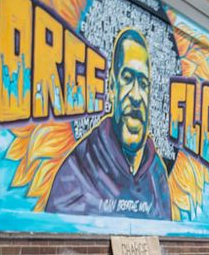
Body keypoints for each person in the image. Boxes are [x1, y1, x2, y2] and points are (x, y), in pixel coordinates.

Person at [47, 28, 171, 218]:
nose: (137, 96)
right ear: (112, 88)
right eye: (128, 79)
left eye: (143, 83)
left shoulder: (157, 174)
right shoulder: (78, 169)